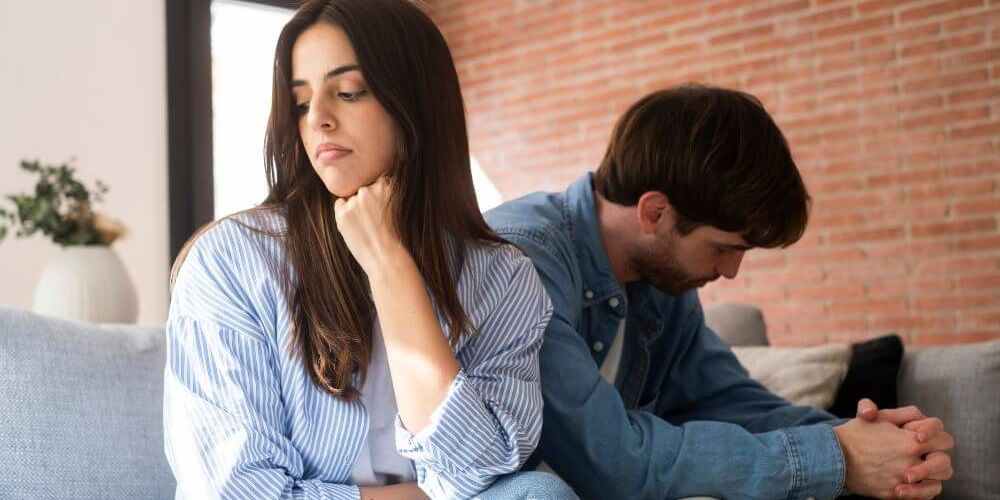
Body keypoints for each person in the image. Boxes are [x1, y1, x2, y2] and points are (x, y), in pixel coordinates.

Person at [164, 1, 576, 498]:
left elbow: (480, 470)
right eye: (299, 102)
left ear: (417, 104)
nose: (317, 118)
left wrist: (390, 268)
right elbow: (234, 491)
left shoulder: (501, 277)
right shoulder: (231, 261)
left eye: (349, 92)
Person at [485, 84, 955, 499]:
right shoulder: (521, 264)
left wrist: (875, 445)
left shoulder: (662, 282)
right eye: (725, 248)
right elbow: (612, 463)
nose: (731, 272)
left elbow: (727, 401)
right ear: (655, 213)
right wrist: (837, 458)